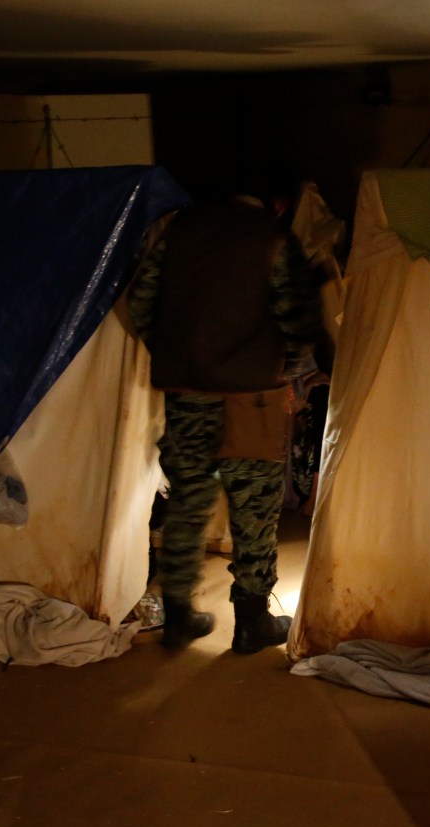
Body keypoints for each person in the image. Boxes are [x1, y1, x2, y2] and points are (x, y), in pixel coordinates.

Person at [128, 178, 327, 654]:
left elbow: (140, 303)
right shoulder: (271, 236)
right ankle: (251, 622)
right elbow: (298, 317)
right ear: (275, 203)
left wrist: (173, 353)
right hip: (250, 395)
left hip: (186, 393)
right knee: (253, 506)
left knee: (187, 503)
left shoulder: (177, 231)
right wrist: (289, 369)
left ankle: (177, 616)